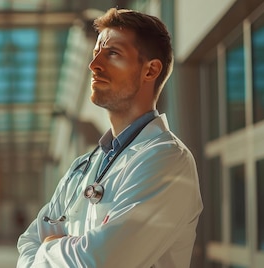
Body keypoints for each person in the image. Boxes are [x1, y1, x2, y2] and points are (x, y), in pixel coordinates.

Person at [16, 7, 203, 268]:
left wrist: (49, 247)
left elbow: (100, 261)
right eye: (95, 53)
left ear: (150, 71)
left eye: (112, 53)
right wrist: (57, 250)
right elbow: (28, 242)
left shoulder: (169, 161)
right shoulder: (83, 166)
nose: (94, 65)